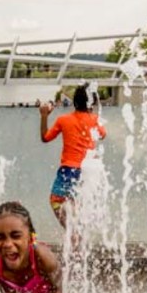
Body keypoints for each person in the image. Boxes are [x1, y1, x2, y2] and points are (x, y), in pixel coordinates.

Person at [39, 83, 106, 229]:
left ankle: (71, 232)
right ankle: (78, 236)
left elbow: (45, 137)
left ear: (74, 102)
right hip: (88, 171)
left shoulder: (63, 120)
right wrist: (91, 116)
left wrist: (44, 115)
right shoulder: (94, 119)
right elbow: (102, 135)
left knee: (56, 200)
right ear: (91, 102)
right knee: (77, 203)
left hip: (69, 169)